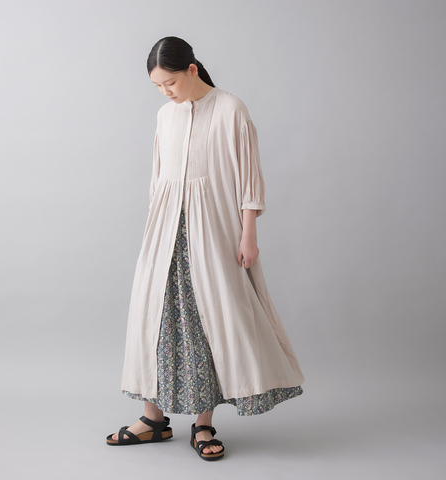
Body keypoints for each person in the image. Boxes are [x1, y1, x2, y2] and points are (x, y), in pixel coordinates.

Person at [106, 36, 305, 461]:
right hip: (164, 231)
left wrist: (248, 235)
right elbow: (158, 178)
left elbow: (249, 178)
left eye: (170, 82)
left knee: (207, 318)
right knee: (155, 318)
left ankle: (203, 423)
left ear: (192, 69)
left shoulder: (231, 109)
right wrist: (153, 228)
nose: (165, 92)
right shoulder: (165, 115)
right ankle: (153, 419)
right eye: (158, 86)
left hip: (212, 230)